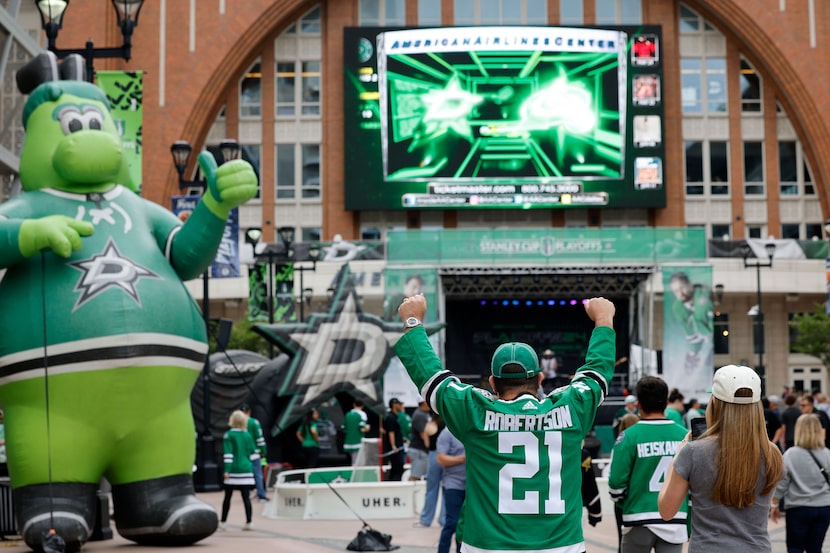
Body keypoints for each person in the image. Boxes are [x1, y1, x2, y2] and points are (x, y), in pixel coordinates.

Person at [395, 294, 616, 553]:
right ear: (541, 378)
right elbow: (597, 373)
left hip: (487, 547)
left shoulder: (475, 413)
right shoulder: (572, 407)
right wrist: (603, 319)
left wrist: (413, 321)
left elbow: (431, 378)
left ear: (492, 382)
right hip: (562, 547)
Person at [658, 364, 783, 552]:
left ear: (714, 402)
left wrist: (677, 459)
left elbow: (667, 511)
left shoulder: (693, 452)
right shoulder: (772, 453)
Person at [610, 376, 688, 552]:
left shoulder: (628, 436)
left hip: (638, 516)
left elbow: (615, 484)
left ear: (639, 405)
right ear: (666, 403)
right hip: (675, 518)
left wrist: (625, 501)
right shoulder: (685, 436)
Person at [771, 413, 830, 553]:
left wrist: (774, 504)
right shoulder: (827, 453)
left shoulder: (791, 454)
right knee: (815, 548)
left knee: (794, 548)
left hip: (798, 507)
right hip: (823, 507)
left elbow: (782, 483)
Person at [220, 410, 259, 531]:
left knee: (228, 497)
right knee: (246, 497)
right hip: (246, 469)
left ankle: (223, 522)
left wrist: (227, 470)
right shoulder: (247, 435)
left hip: (233, 470)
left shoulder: (229, 435)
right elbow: (254, 453)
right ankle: (249, 522)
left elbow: (228, 454)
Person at [612, 413, 641, 553]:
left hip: (625, 501)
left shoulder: (621, 444)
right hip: (643, 500)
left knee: (623, 542)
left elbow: (615, 479)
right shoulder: (642, 440)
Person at [436, 427, 466, 553]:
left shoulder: (470, 429)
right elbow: (440, 459)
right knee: (452, 523)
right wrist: (463, 458)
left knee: (465, 525)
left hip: (472, 486)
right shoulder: (446, 433)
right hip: (453, 484)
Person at [416, 413, 445, 528]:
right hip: (446, 455)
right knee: (446, 489)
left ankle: (426, 519)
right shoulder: (448, 424)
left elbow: (427, 443)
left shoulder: (430, 424)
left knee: (431, 489)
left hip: (433, 455)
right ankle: (444, 519)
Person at [241, 404, 268, 502]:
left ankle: (246, 494)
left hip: (242, 453)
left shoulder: (238, 423)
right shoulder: (254, 422)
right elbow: (259, 438)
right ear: (249, 412)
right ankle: (261, 494)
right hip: (254, 452)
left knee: (245, 475)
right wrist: (263, 450)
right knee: (258, 474)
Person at [408, 397, 431, 481]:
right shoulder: (419, 415)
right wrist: (429, 446)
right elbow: (423, 434)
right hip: (419, 450)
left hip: (421, 449)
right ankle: (410, 492)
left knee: (419, 475)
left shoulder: (425, 413)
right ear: (424, 402)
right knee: (415, 476)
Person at [382, 398, 406, 481]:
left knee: (397, 467)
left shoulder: (395, 416)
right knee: (397, 467)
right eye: (399, 404)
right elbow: (391, 432)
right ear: (394, 405)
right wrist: (393, 446)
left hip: (398, 445)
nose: (401, 406)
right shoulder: (391, 417)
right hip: (395, 448)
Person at [342, 397, 370, 465]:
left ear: (354, 404)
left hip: (348, 443)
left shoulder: (348, 414)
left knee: (353, 461)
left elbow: (344, 428)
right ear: (363, 405)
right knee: (358, 464)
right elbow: (362, 428)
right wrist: (368, 428)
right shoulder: (362, 414)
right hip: (358, 443)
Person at [581, 446, 602, 529]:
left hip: (541, 509)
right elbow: (589, 484)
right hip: (574, 508)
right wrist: (595, 513)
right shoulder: (581, 454)